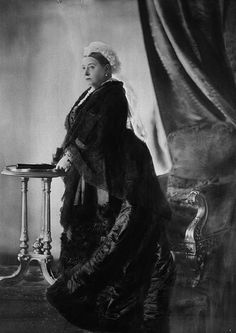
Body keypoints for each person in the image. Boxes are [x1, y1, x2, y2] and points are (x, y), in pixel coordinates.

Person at [46, 41, 176, 333]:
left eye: (91, 67)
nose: (85, 72)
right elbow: (77, 129)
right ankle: (84, 295)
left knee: (113, 230)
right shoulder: (91, 94)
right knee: (82, 228)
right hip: (90, 170)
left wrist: (71, 154)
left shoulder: (114, 94)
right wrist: (66, 155)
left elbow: (98, 132)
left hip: (114, 168)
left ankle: (98, 302)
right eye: (83, 68)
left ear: (107, 69)